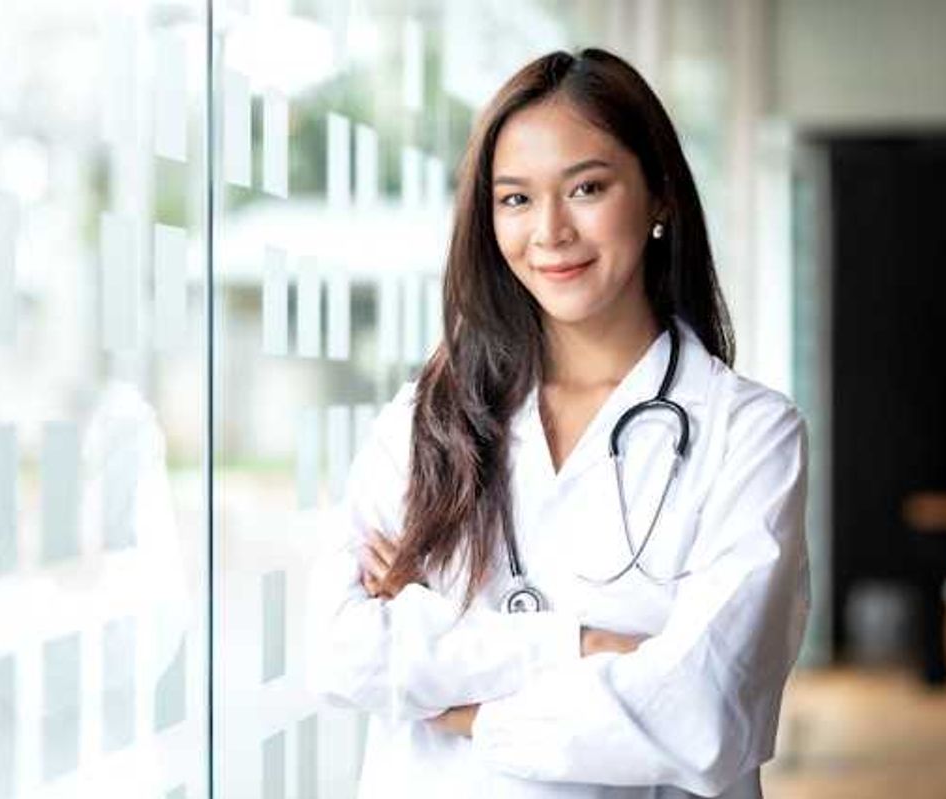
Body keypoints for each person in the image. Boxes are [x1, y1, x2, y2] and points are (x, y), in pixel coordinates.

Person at [305, 47, 809, 798]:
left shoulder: (750, 434)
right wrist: (581, 648)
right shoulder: (425, 421)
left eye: (587, 188)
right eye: (515, 199)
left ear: (660, 193)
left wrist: (463, 706)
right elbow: (339, 653)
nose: (550, 231)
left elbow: (703, 715)